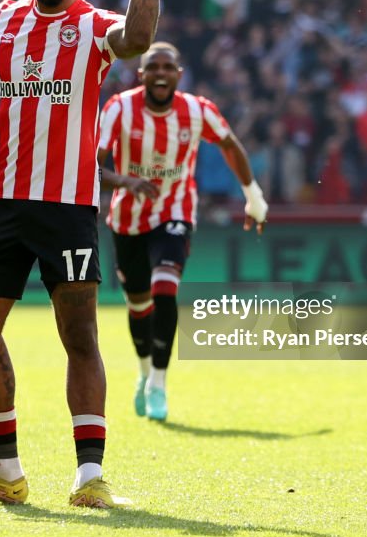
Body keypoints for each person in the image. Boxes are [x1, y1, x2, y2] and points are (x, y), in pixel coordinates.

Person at [0, 0, 162, 509]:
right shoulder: (1, 23)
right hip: (5, 201)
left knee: (78, 335)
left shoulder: (91, 26)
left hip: (68, 205)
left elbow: (137, 38)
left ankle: (90, 479)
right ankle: (3, 471)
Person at [97, 42, 268, 422]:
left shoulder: (197, 110)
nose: (160, 73)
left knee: (165, 289)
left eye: (167, 67)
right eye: (152, 67)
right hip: (127, 220)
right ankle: (144, 373)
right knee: (139, 304)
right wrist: (126, 181)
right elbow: (92, 168)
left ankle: (159, 381)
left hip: (175, 212)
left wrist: (253, 196)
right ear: (141, 75)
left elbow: (229, 144)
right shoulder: (119, 109)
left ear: (179, 73)